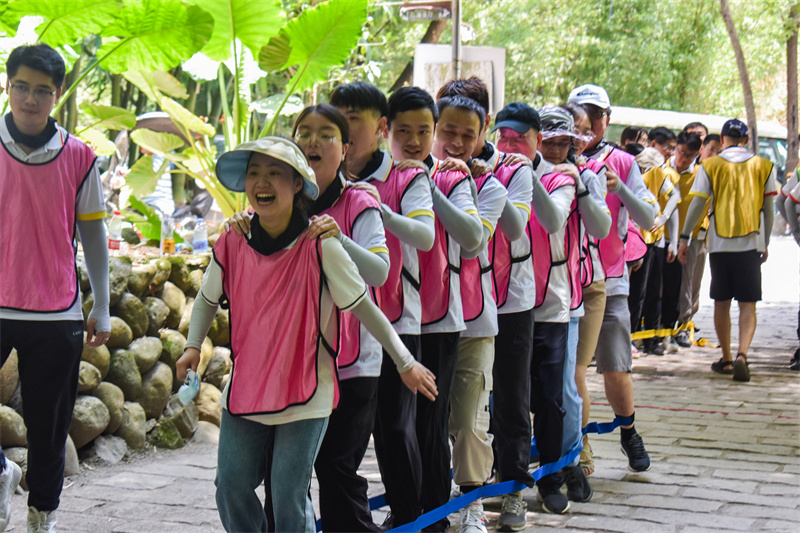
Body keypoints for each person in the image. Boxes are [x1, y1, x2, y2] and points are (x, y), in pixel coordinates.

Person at [177, 137, 436, 533]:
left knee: (287, 493)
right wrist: (193, 345)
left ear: (297, 183)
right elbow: (206, 298)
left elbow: (365, 306)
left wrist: (405, 361)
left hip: (307, 390)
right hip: (248, 388)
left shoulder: (320, 243)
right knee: (230, 486)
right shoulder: (233, 239)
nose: (262, 183)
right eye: (254, 173)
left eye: (275, 173)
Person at [0, 44, 110, 533]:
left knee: (49, 429)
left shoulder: (80, 157)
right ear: (8, 86)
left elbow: (93, 235)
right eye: (21, 86)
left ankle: (41, 513)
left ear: (57, 95)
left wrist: (102, 305)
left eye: (42, 90)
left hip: (57, 311)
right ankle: (2, 473)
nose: (30, 99)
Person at [330, 82, 436, 530]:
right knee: (344, 443)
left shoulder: (406, 176)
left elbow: (425, 237)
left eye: (357, 118)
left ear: (379, 127)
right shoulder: (316, 178)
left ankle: (413, 519)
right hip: (337, 328)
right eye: (341, 116)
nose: (346, 128)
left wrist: (379, 209)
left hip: (394, 319)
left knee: (394, 428)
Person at [568, 84, 655, 474]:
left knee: (616, 367)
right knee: (571, 371)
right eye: (580, 115)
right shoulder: (555, 158)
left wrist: (622, 190)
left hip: (611, 279)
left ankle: (628, 430)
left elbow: (649, 218)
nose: (588, 124)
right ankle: (578, 445)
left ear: (607, 118)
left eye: (595, 115)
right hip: (566, 282)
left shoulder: (621, 162)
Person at [433, 92, 507, 533]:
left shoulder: (491, 187)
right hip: (421, 321)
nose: (456, 143)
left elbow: (473, 238)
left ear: (483, 135)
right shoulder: (407, 178)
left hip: (475, 320)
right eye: (448, 132)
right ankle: (424, 500)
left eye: (468, 134)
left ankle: (473, 501)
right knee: (419, 424)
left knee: (467, 420)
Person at [678, 118, 777, 382]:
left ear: (721, 140)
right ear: (746, 141)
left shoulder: (710, 166)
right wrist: (765, 242)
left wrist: (685, 238)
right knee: (748, 304)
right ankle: (743, 353)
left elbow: (697, 204)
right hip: (751, 244)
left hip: (719, 245)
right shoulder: (764, 166)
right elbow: (769, 210)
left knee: (721, 302)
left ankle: (726, 358)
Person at [664, 132, 703, 349]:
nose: (683, 159)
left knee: (686, 284)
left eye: (689, 155)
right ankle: (662, 325)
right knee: (662, 284)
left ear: (697, 154)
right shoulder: (662, 170)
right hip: (663, 235)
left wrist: (686, 238)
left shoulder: (699, 174)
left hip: (689, 237)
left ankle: (682, 326)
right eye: (680, 152)